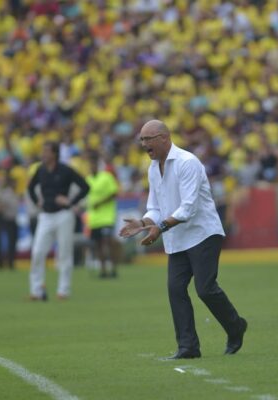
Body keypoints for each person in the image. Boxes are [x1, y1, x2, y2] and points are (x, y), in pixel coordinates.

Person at [119, 120, 247, 359]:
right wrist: (143, 223)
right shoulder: (152, 169)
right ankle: (188, 347)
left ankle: (235, 326)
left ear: (165, 138)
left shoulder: (187, 163)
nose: (144, 144)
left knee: (205, 289)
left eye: (149, 139)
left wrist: (158, 228)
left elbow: (188, 209)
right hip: (177, 237)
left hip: (203, 233)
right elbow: (155, 208)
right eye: (142, 140)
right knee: (175, 289)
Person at [27, 141, 89, 300]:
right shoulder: (40, 170)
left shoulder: (65, 170)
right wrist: (37, 201)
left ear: (54, 154)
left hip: (64, 215)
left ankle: (63, 291)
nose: (43, 154)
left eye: (46, 151)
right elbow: (30, 187)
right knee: (38, 252)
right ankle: (36, 290)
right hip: (46, 215)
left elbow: (85, 187)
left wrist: (71, 201)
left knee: (64, 254)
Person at [86, 151, 119, 278]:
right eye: (90, 165)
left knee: (108, 243)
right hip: (94, 219)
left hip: (107, 217)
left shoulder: (106, 177)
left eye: (94, 165)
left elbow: (114, 193)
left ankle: (114, 269)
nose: (92, 167)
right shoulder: (88, 179)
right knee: (98, 245)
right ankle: (103, 270)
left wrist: (100, 202)